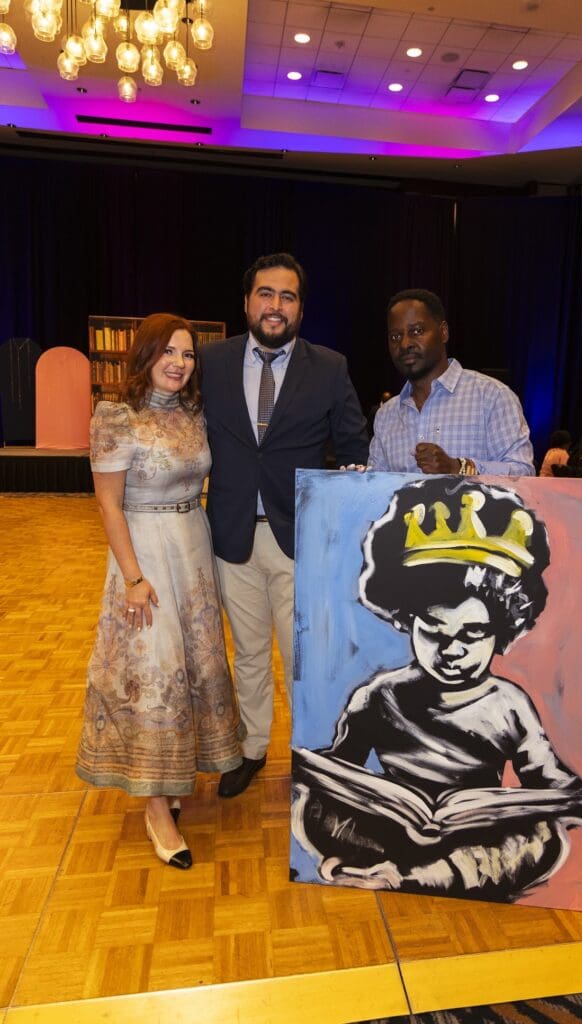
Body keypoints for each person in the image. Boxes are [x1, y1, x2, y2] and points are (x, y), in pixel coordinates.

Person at [292, 477, 582, 900]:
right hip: (391, 827)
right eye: (434, 631)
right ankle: (393, 867)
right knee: (320, 809)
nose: (452, 650)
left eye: (473, 633)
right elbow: (342, 768)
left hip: (473, 836)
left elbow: (548, 778)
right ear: (408, 623)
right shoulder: (378, 695)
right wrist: (315, 774)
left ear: (501, 634)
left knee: (536, 838)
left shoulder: (508, 705)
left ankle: (405, 877)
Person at [76, 314, 243, 870]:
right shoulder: (115, 416)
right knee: (156, 670)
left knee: (192, 665)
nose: (178, 363)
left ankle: (172, 778)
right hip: (144, 550)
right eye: (167, 352)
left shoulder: (193, 412)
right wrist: (132, 577)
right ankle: (155, 807)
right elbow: (107, 503)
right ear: (143, 356)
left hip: (193, 545)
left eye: (188, 354)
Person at [200, 253, 369, 798]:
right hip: (231, 538)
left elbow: (352, 446)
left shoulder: (330, 367)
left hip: (303, 541)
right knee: (247, 652)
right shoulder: (210, 362)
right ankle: (251, 749)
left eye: (288, 296)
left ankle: (315, 757)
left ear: (301, 308)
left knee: (304, 658)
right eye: (266, 294)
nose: (276, 306)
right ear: (247, 301)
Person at [369, 289, 534, 477]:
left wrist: (458, 467)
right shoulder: (386, 415)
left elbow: (524, 475)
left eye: (417, 331)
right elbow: (378, 492)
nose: (405, 344)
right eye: (395, 337)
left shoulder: (492, 396)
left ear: (443, 332)